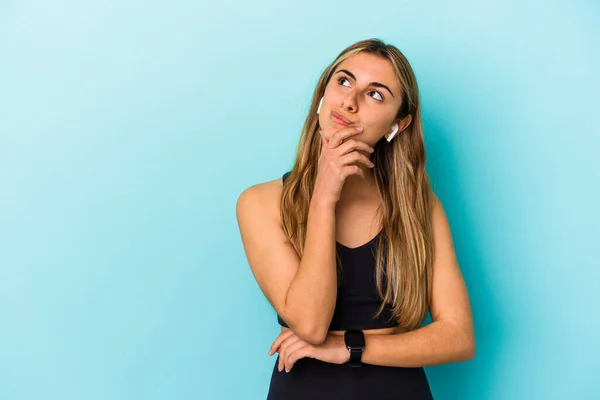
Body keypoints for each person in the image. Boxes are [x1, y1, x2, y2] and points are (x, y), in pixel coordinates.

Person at [236, 38, 475, 400]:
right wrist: (323, 197)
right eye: (344, 81)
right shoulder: (260, 203)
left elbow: (458, 337)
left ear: (398, 125)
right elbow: (311, 326)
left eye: (375, 94)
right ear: (323, 94)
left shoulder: (420, 208)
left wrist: (348, 349)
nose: (350, 101)